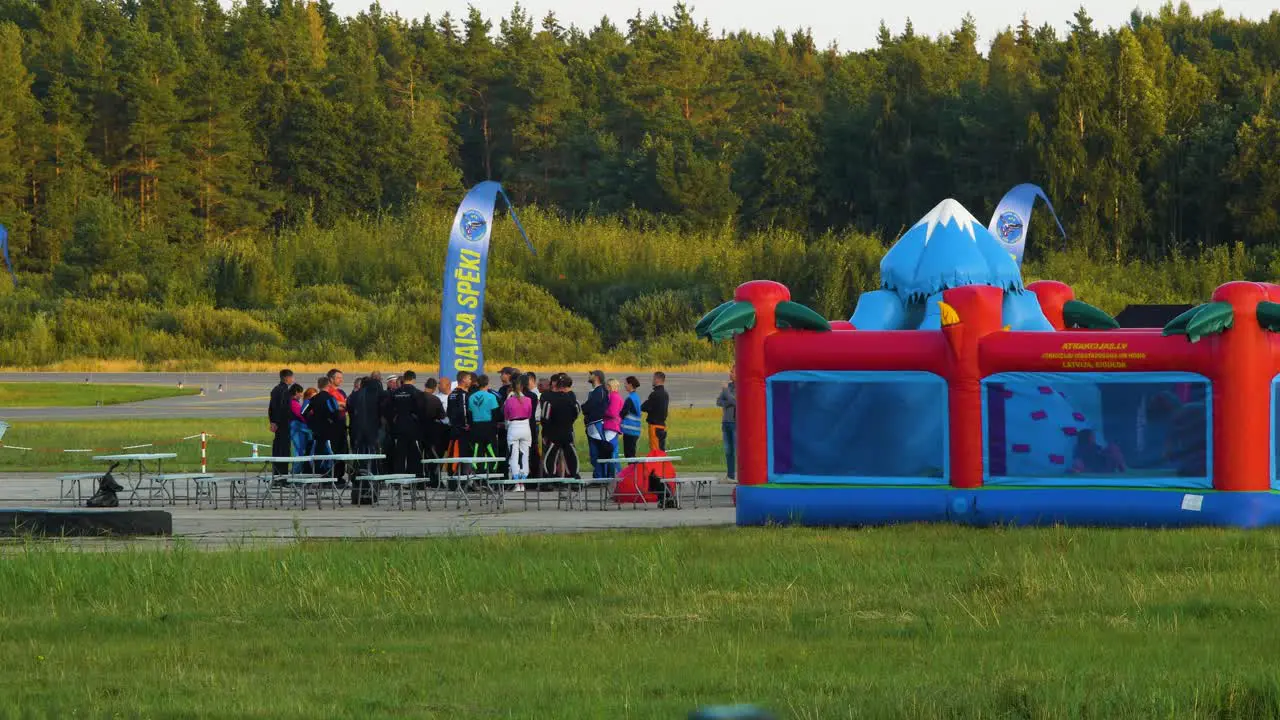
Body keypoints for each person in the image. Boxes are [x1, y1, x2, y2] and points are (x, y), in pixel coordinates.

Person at [386, 370, 428, 474]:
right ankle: (414, 480)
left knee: (399, 456)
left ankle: (398, 480)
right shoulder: (417, 393)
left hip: (398, 428)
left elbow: (389, 410)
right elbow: (422, 412)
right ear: (413, 379)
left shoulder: (395, 393)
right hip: (413, 429)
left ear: (404, 379)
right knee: (414, 455)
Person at [541, 374, 580, 479]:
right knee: (571, 456)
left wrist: (547, 431)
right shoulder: (572, 399)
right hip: (567, 431)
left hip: (553, 433)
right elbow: (576, 412)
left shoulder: (549, 399)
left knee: (550, 456)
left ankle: (549, 479)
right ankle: (574, 477)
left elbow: (545, 418)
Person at [303, 376, 342, 477]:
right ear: (328, 385)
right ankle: (331, 475)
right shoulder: (329, 398)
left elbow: (304, 412)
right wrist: (333, 422)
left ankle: (316, 474)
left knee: (318, 452)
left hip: (317, 431)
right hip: (329, 430)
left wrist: (311, 423)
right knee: (331, 452)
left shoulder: (313, 399)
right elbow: (336, 413)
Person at [504, 373, 535, 483]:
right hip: (526, 427)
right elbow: (530, 414)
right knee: (525, 455)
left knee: (513, 456)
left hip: (513, 427)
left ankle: (516, 479)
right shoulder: (528, 400)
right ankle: (524, 477)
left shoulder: (509, 400)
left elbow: (506, 416)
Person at [468, 374, 501, 472]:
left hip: (475, 428)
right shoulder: (491, 396)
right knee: (491, 452)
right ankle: (491, 478)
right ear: (487, 383)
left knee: (478, 452)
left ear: (478, 383)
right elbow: (496, 414)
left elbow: (469, 414)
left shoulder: (471, 397)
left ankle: (479, 477)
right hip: (489, 428)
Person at [582, 370, 609, 478]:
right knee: (594, 452)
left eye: (592, 374)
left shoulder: (600, 391)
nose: (589, 376)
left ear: (597, 377)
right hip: (592, 424)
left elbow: (591, 405)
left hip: (596, 424)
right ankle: (598, 475)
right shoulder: (596, 391)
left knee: (597, 452)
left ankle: (600, 476)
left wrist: (584, 408)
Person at [267, 369, 295, 475]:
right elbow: (283, 408)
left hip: (277, 424)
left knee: (277, 450)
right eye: (291, 377)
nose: (292, 379)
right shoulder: (285, 391)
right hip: (284, 424)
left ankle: (277, 474)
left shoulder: (275, 389)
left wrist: (273, 421)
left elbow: (271, 408)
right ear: (286, 378)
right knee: (284, 451)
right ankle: (282, 476)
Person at [421, 377, 447, 475]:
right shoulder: (435, 399)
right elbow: (442, 417)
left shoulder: (417, 397)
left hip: (418, 431)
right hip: (432, 432)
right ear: (435, 387)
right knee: (432, 455)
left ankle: (421, 477)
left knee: (419, 455)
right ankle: (432, 478)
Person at [447, 371, 473, 463]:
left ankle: (454, 472)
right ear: (463, 380)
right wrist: (467, 424)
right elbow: (464, 411)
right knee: (463, 454)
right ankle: (461, 474)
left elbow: (448, 411)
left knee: (454, 451)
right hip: (463, 429)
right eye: (469, 379)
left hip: (454, 428)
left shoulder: (451, 394)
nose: (470, 381)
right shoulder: (462, 394)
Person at [642, 371, 670, 452]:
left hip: (654, 426)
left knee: (655, 450)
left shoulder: (655, 394)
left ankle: (656, 465)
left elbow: (645, 407)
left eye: (653, 378)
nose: (652, 380)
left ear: (657, 379)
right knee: (661, 448)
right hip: (662, 425)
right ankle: (662, 464)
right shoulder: (665, 394)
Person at [716, 369, 736, 481]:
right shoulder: (728, 386)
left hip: (736, 423)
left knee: (736, 450)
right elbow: (718, 402)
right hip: (726, 422)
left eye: (732, 372)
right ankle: (730, 475)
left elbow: (736, 402)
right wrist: (728, 401)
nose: (730, 374)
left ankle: (741, 475)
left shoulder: (742, 386)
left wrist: (726, 393)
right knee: (728, 450)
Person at [602, 378, 624, 474]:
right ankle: (617, 473)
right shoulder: (616, 396)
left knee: (610, 451)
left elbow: (612, 412)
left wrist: (601, 411)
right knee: (613, 451)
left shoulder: (613, 397)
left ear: (610, 386)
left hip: (611, 426)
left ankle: (614, 473)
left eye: (607, 385)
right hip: (613, 426)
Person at [288, 383, 310, 474]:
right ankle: (295, 475)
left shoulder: (291, 401)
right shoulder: (293, 403)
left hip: (295, 429)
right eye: (300, 393)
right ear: (296, 392)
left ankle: (295, 474)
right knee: (299, 452)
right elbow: (301, 416)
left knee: (299, 451)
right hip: (297, 429)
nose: (301, 395)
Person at [620, 376, 643, 459]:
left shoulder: (630, 399)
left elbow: (622, 414)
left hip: (630, 431)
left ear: (630, 384)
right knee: (631, 454)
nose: (624, 385)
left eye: (626, 383)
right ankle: (633, 471)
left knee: (629, 455)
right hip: (635, 430)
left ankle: (633, 471)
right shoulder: (636, 397)